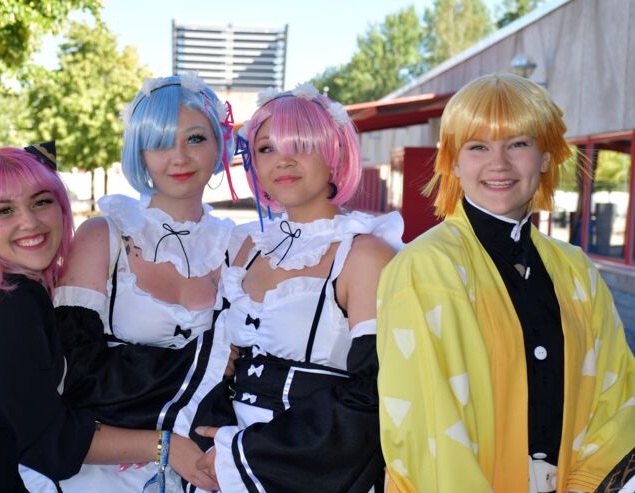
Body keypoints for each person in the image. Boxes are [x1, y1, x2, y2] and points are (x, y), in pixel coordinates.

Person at [376, 73, 634, 493]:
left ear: (546, 157)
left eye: (518, 144)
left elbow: (617, 395)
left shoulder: (576, 270)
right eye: (478, 146)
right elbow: (428, 426)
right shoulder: (423, 269)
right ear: (453, 163)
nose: (499, 163)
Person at [0, 145, 179, 493]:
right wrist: (165, 446)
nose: (29, 221)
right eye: (4, 210)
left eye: (41, 201)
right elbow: (49, 443)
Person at [20, 73, 236, 493]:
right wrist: (208, 360)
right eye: (159, 142)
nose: (179, 158)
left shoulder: (239, 245)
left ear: (219, 144)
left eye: (195, 138)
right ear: (139, 151)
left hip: (204, 464)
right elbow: (76, 371)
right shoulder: (106, 234)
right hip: (101, 466)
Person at [194, 83, 405, 492]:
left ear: (334, 154)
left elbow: (373, 396)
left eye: (301, 145)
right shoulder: (245, 248)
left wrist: (241, 455)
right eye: (266, 149)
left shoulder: (366, 254)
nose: (282, 161)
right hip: (219, 466)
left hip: (315, 471)